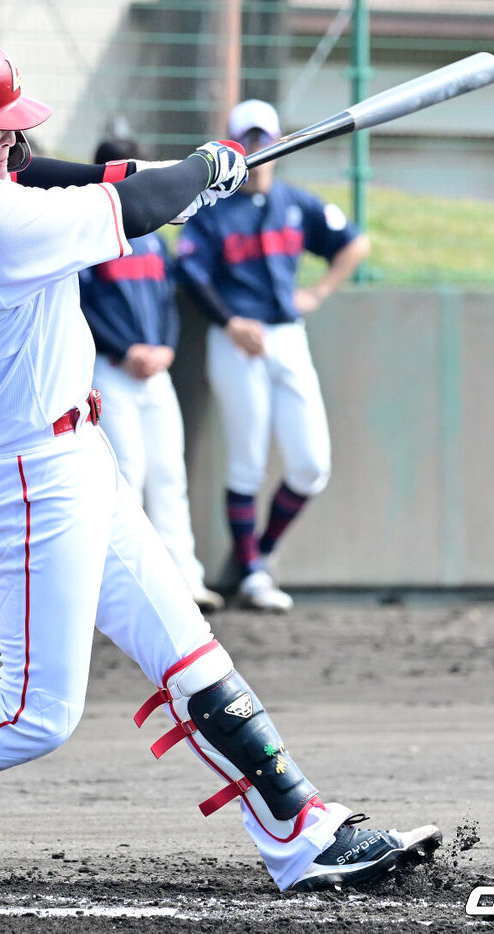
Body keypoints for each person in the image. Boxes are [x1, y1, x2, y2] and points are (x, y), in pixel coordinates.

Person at [0, 36, 439, 895]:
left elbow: (49, 174)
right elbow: (131, 204)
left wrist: (177, 172)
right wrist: (200, 171)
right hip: (21, 476)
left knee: (186, 648)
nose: (7, 143)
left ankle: (299, 829)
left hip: (63, 453)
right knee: (36, 715)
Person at [175, 99, 371, 611]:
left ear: (280, 142)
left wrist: (320, 292)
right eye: (250, 139)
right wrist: (229, 321)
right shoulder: (214, 209)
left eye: (267, 139)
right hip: (239, 339)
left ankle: (255, 556)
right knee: (247, 461)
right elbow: (190, 270)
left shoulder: (297, 203)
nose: (260, 148)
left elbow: (353, 243)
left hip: (288, 334)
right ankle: (256, 576)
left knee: (311, 464)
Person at [79, 137, 224, 613]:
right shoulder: (89, 234)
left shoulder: (154, 237)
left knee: (168, 474)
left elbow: (166, 303)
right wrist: (125, 349)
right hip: (112, 370)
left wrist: (164, 348)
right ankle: (128, 590)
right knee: (128, 478)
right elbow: (79, 307)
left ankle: (186, 579)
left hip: (153, 371)